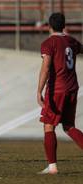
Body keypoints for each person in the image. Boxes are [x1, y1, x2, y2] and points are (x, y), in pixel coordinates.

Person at [37, 12, 83, 174]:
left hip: (57, 90)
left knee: (49, 126)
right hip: (72, 88)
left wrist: (39, 90)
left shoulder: (49, 43)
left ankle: (52, 167)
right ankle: (52, 166)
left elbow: (46, 66)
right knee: (69, 126)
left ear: (49, 26)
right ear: (64, 25)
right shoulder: (71, 41)